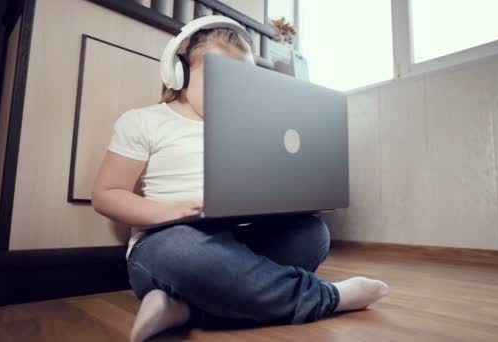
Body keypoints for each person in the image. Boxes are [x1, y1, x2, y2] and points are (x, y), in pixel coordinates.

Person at [91, 16, 389, 342]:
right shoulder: (144, 121)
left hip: (234, 239)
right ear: (180, 72)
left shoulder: (247, 129)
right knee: (185, 252)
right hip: (168, 240)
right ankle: (327, 297)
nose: (230, 90)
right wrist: (175, 211)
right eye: (219, 77)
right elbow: (107, 194)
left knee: (312, 233)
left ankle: (184, 308)